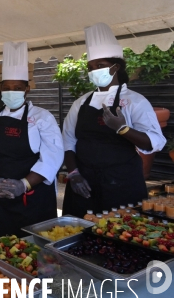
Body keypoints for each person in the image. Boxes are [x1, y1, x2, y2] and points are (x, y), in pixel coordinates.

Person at [62, 23, 166, 218]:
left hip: (122, 183)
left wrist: (123, 129)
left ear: (115, 67)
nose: (94, 71)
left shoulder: (135, 101)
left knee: (120, 235)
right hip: (83, 183)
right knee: (78, 234)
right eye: (91, 67)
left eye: (100, 66)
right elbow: (68, 141)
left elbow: (155, 141)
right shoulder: (80, 103)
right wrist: (73, 174)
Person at [0, 41, 63, 242]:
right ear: (1, 89)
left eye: (18, 88)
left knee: (32, 252)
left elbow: (53, 155)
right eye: (7, 87)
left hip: (32, 199)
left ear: (27, 89)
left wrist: (24, 184)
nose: (12, 92)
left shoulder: (42, 117)